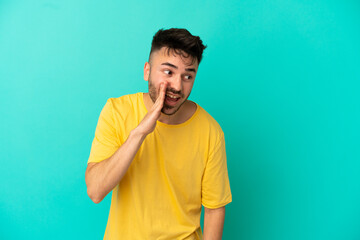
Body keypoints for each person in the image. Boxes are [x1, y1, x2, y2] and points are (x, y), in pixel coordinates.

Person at [85, 28, 232, 240]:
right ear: (147, 71)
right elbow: (95, 191)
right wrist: (139, 133)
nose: (177, 86)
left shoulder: (211, 131)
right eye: (168, 72)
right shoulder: (116, 111)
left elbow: (214, 209)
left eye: (188, 76)